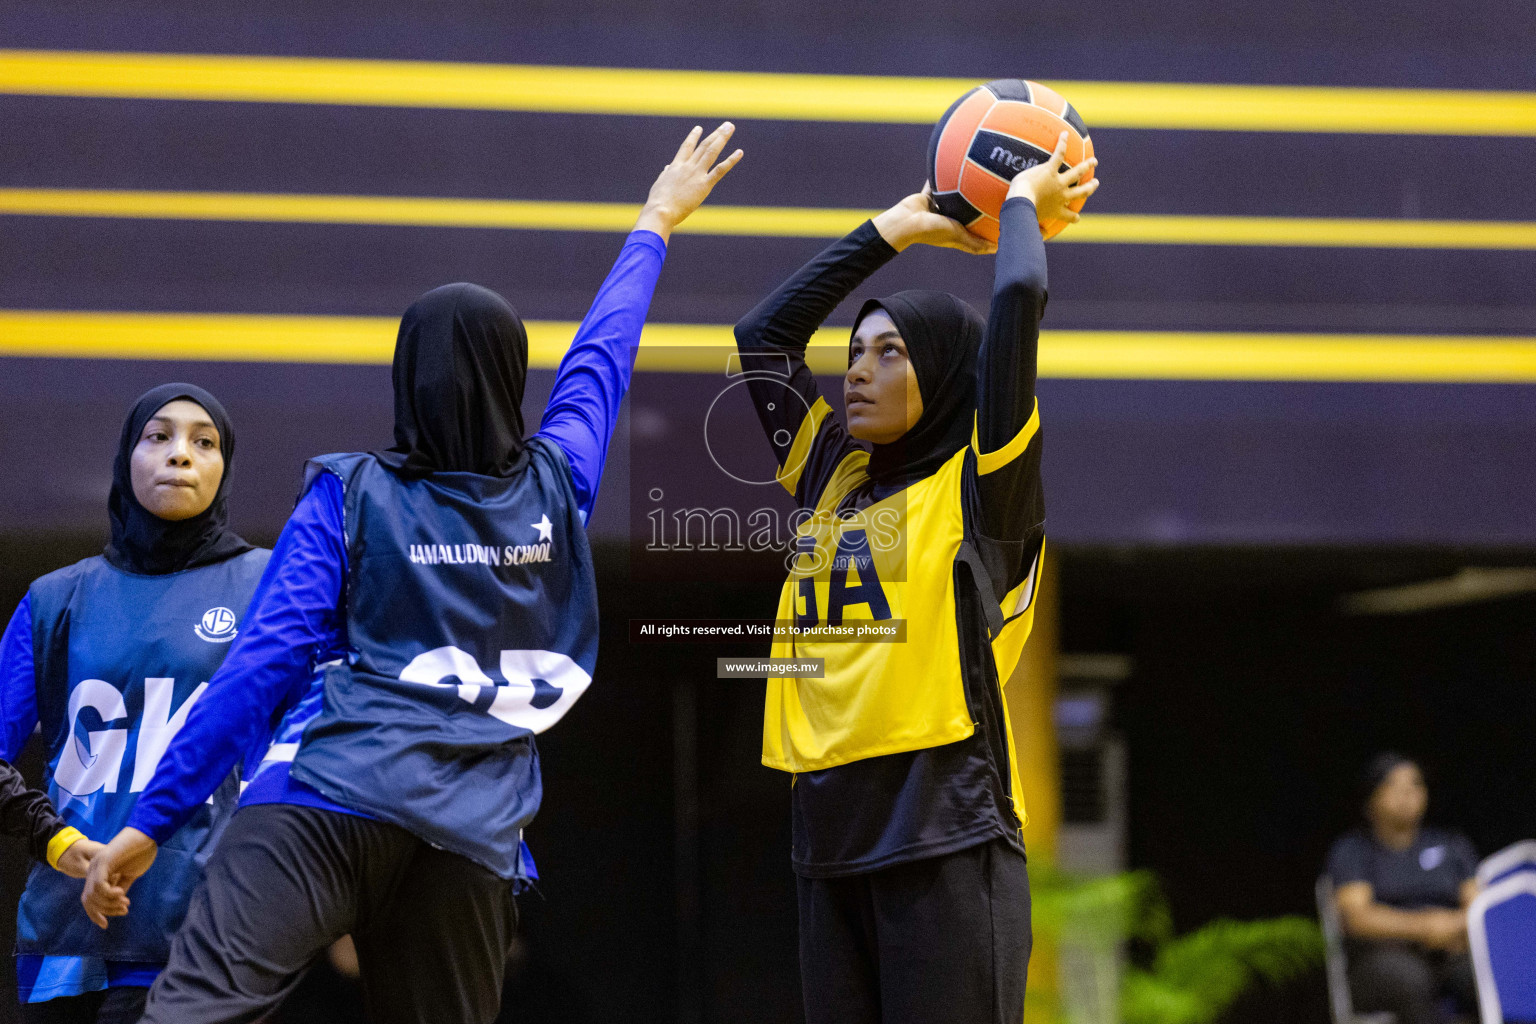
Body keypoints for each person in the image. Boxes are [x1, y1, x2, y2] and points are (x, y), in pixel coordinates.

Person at [80, 122, 743, 1024]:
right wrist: (654, 223)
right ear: (512, 376)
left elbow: (261, 667)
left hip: (325, 800)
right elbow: (600, 363)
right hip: (473, 835)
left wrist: (151, 821)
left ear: (406, 376)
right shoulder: (559, 482)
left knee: (193, 1013)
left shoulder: (352, 492)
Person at [733, 132, 1097, 1024]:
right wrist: (890, 231)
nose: (857, 371)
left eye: (889, 353)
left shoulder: (983, 487)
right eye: (856, 351)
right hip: (826, 836)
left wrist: (1019, 205)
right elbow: (763, 339)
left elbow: (1016, 295)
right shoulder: (833, 479)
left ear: (940, 372)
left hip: (946, 829)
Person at [0, 384, 269, 1023]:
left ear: (225, 465)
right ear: (127, 457)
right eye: (159, 436)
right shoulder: (55, 599)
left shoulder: (269, 586)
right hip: (67, 939)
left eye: (204, 442)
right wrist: (56, 840)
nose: (181, 454)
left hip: (208, 939)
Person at [1327, 753, 1479, 1024]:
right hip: (1383, 958)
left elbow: (1480, 905)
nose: (1407, 794)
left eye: (1415, 784)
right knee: (1410, 980)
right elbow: (1357, 918)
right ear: (1371, 798)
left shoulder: (1452, 845)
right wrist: (1424, 927)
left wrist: (1452, 927)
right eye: (1393, 785)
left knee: (1484, 973)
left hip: (1450, 949)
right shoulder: (1354, 849)